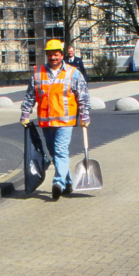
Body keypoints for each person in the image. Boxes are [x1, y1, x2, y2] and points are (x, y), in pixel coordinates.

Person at [20, 38, 91, 201]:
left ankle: (57, 183)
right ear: (47, 55)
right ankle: (67, 183)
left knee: (60, 151)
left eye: (56, 54)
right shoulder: (38, 73)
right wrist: (25, 113)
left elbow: (83, 96)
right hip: (46, 121)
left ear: (62, 55)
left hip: (65, 121)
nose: (53, 58)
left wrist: (85, 115)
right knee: (54, 152)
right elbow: (30, 96)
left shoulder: (73, 73)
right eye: (50, 55)